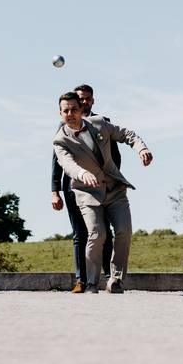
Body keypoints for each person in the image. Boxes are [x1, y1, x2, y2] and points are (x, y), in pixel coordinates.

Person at [53, 91, 153, 293]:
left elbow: (127, 134)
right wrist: (82, 174)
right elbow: (67, 164)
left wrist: (141, 148)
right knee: (97, 234)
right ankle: (91, 283)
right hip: (87, 192)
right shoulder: (60, 141)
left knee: (124, 231)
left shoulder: (99, 123)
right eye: (66, 111)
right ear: (60, 113)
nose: (70, 114)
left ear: (81, 110)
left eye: (74, 109)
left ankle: (115, 280)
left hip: (114, 189)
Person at [50, 84, 120, 293]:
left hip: (102, 186)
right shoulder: (63, 128)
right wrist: (55, 191)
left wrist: (112, 181)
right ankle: (82, 280)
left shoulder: (101, 123)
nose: (84, 102)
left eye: (87, 99)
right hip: (73, 187)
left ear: (92, 101)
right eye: (80, 99)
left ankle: (109, 277)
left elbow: (114, 157)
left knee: (103, 231)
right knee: (80, 233)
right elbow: (57, 162)